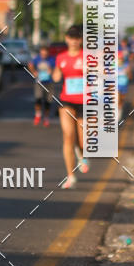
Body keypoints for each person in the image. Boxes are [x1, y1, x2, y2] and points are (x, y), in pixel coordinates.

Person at [52, 24, 89, 188]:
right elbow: (56, 75)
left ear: (81, 40)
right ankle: (70, 175)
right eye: (71, 38)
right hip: (66, 100)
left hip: (85, 101)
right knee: (68, 136)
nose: (74, 41)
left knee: (82, 139)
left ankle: (82, 155)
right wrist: (56, 73)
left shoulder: (87, 56)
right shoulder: (61, 57)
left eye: (77, 38)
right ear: (66, 39)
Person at [29, 45, 55, 126]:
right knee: (38, 99)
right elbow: (30, 64)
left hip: (49, 82)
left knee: (48, 101)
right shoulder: (37, 58)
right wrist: (33, 72)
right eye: (42, 53)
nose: (43, 55)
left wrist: (52, 71)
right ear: (40, 52)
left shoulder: (52, 59)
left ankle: (46, 118)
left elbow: (57, 68)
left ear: (48, 53)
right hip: (39, 82)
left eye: (45, 53)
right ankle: (38, 115)